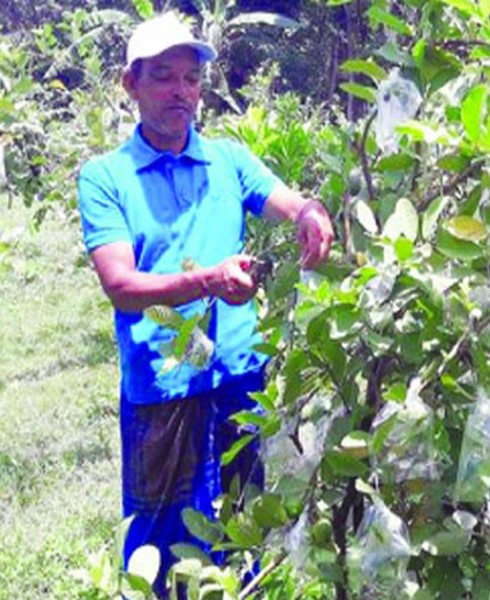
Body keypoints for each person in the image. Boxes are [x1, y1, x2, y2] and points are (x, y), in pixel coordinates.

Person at [76, 12, 333, 595]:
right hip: (165, 387)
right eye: (163, 77)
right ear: (130, 85)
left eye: (191, 79)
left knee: (244, 522)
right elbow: (121, 285)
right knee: (163, 543)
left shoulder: (228, 159)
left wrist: (312, 214)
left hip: (239, 375)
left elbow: (290, 203)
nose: (180, 92)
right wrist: (211, 281)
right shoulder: (106, 177)